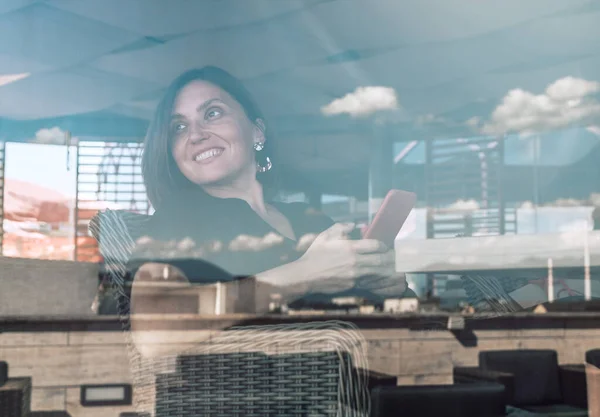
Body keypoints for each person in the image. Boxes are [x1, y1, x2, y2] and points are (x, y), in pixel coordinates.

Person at [121, 65, 409, 316]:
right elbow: (155, 327)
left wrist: (389, 288)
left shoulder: (310, 219)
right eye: (179, 127)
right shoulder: (176, 218)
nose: (195, 135)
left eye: (212, 113)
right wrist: (306, 274)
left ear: (257, 131)